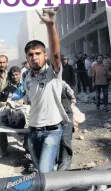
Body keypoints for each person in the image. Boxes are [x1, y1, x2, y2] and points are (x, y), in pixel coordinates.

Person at [21, 8, 67, 174]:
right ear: (27, 58)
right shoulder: (27, 77)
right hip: (33, 131)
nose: (34, 57)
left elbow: (56, 53)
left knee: (44, 172)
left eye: (38, 53)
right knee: (41, 170)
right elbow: (29, 98)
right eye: (30, 55)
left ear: (44, 55)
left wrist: (50, 25)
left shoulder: (52, 72)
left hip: (52, 131)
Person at [57, 81, 76, 170]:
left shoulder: (63, 84)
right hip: (53, 117)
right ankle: (59, 162)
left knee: (65, 140)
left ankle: (64, 166)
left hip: (67, 116)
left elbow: (73, 97)